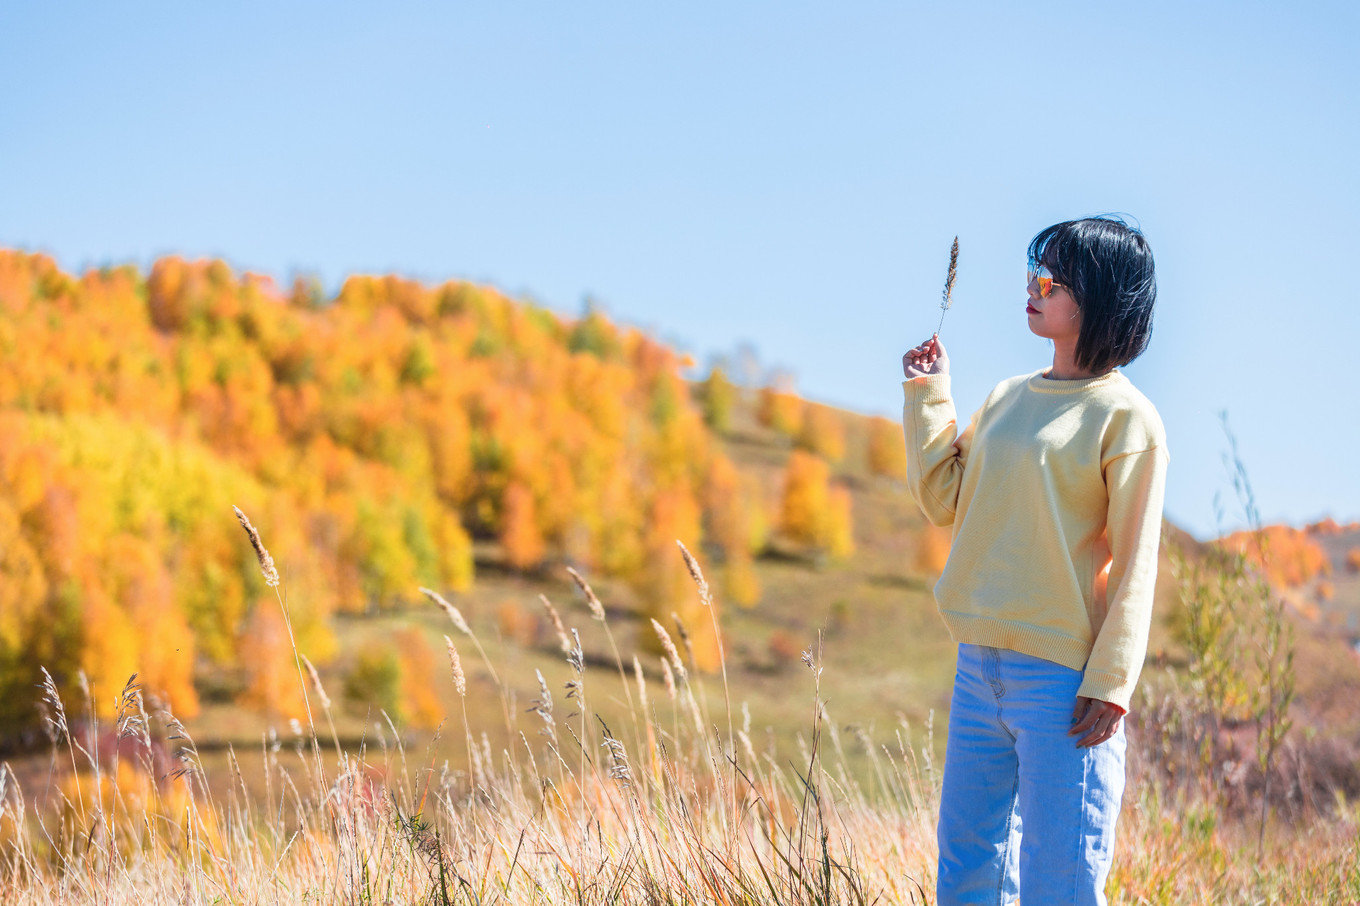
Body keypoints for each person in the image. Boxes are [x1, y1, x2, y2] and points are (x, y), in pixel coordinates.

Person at [900, 215, 1168, 905]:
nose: (1033, 284)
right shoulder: (1005, 398)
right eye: (1033, 268)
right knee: (966, 869)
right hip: (977, 666)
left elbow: (1137, 562)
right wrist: (930, 396)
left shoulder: (1127, 419)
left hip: (1064, 685)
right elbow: (943, 498)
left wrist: (1112, 681)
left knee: (1062, 878)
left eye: (1054, 276)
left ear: (1103, 298)